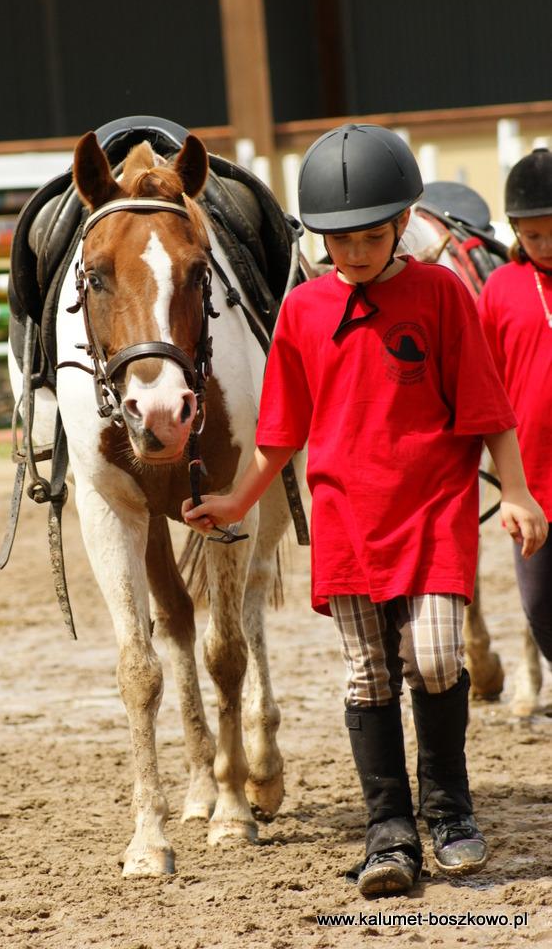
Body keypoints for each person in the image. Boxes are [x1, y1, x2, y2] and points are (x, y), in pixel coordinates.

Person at [182, 124, 548, 898]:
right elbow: (280, 433)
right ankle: (389, 830)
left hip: (435, 510)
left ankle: (448, 812)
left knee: (436, 657)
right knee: (369, 673)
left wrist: (515, 491)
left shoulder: (443, 294)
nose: (354, 252)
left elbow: (488, 407)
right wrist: (237, 499)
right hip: (347, 520)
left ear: (402, 223)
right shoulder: (304, 311)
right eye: (340, 239)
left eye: (372, 237)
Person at [478, 148, 552, 672]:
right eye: (533, 236)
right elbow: (485, 384)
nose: (546, 246)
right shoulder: (500, 289)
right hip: (531, 483)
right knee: (540, 605)